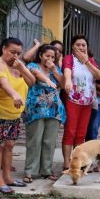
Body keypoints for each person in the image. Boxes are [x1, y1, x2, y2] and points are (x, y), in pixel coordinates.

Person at [0, 37, 36, 194]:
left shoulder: (17, 65)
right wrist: (14, 95)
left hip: (14, 114)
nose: (15, 56)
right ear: (4, 49)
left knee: (10, 146)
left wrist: (22, 67)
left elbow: (32, 82)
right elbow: (3, 83)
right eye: (12, 52)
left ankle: (8, 177)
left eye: (19, 53)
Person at [24, 43, 65, 182]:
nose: (50, 59)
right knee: (34, 141)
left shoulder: (56, 69)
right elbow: (35, 75)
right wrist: (47, 79)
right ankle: (30, 171)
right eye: (47, 55)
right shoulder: (32, 66)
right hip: (36, 109)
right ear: (40, 55)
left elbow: (64, 85)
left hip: (54, 110)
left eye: (52, 56)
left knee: (50, 142)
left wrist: (54, 70)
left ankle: (46, 171)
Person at [61, 35, 100, 168]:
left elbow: (98, 75)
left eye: (84, 45)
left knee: (81, 133)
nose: (81, 47)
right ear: (73, 46)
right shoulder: (69, 59)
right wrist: (67, 80)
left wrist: (87, 62)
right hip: (73, 100)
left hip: (88, 102)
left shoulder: (90, 60)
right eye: (78, 44)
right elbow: (67, 71)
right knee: (70, 131)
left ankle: (76, 161)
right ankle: (67, 162)